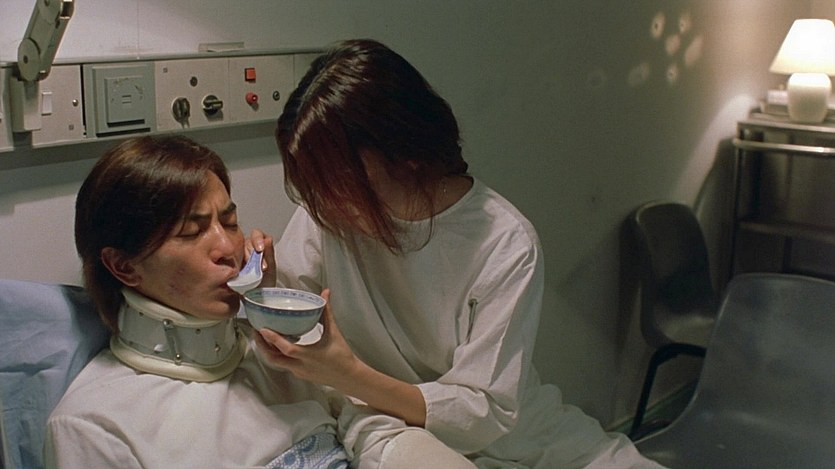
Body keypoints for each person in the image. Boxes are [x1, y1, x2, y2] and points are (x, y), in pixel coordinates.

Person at [254, 39, 666, 468]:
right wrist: (264, 293)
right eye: (315, 183)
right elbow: (291, 317)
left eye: (340, 179)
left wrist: (351, 375)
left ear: (407, 154)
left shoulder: (504, 243)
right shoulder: (327, 212)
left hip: (511, 429)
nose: (325, 201)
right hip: (384, 419)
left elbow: (484, 411)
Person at [44, 135, 473, 468]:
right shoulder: (94, 426)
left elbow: (369, 431)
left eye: (230, 222)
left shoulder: (272, 353)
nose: (228, 249)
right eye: (192, 232)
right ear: (124, 267)